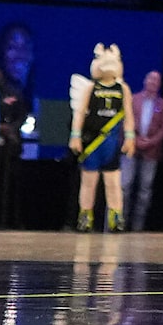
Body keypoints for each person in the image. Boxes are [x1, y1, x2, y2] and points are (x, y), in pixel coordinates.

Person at [69, 44, 131, 232]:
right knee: (89, 182)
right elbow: (79, 113)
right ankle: (85, 216)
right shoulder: (91, 87)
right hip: (92, 143)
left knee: (113, 183)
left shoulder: (123, 88)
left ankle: (116, 216)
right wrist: (75, 136)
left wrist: (130, 137)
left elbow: (128, 115)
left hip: (111, 144)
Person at [127, 69, 163, 233]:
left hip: (151, 152)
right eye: (150, 79)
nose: (153, 82)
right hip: (131, 148)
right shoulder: (133, 99)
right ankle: (119, 223)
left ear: (159, 84)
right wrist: (134, 139)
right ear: (145, 81)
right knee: (125, 186)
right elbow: (126, 122)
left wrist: (151, 141)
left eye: (156, 80)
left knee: (145, 190)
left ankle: (138, 227)